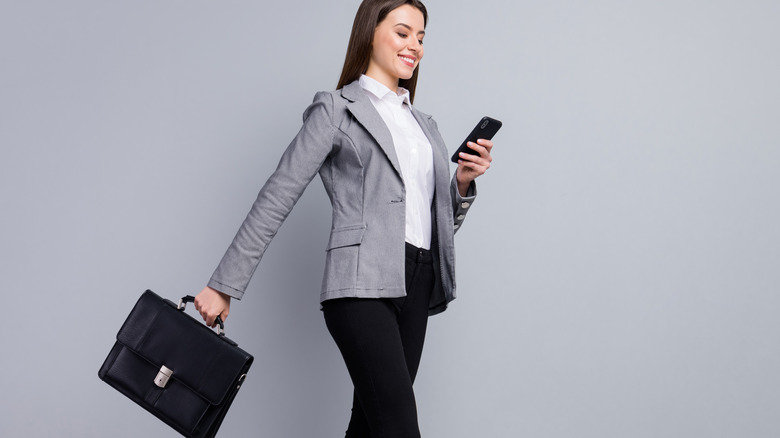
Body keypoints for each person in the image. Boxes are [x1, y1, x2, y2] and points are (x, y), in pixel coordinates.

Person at [193, 0, 494, 436]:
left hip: (418, 280)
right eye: (404, 32)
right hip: (359, 286)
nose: (415, 46)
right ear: (371, 32)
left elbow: (431, 225)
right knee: (397, 426)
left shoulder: (424, 125)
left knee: (370, 426)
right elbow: (277, 195)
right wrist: (224, 286)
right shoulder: (336, 110)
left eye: (422, 37)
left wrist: (462, 184)